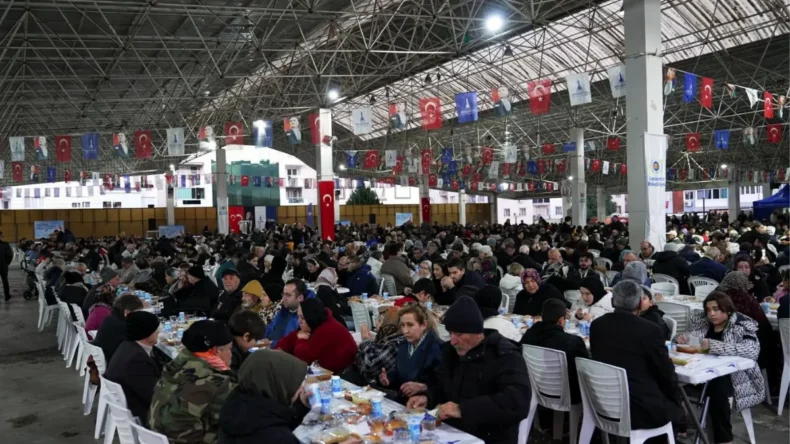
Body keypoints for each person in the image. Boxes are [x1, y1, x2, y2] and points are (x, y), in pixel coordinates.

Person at [406, 296, 530, 443]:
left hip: (490, 436)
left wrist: (463, 409)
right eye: (450, 333)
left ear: (478, 333)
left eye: (459, 334)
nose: (452, 340)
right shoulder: (451, 352)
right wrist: (428, 397)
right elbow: (443, 386)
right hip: (453, 432)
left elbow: (517, 403)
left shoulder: (505, 356)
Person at [589, 280, 681, 430]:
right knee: (675, 404)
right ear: (639, 303)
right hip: (639, 408)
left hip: (603, 399)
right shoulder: (650, 330)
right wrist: (676, 397)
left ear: (612, 301)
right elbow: (665, 372)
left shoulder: (597, 325)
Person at [675, 292, 765, 444]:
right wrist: (680, 338)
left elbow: (752, 350)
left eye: (716, 309)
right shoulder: (703, 323)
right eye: (708, 310)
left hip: (736, 377)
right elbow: (687, 339)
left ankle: (724, 439)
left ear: (727, 309)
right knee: (670, 380)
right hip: (702, 371)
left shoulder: (742, 325)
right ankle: (678, 424)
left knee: (717, 389)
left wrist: (715, 346)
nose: (712, 314)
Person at [149, 320, 237, 444]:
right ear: (216, 351)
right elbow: (238, 420)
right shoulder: (217, 383)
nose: (231, 355)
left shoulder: (173, 368)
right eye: (230, 349)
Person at [218, 350, 312, 444]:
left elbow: (270, 422)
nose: (301, 388)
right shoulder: (279, 439)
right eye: (297, 383)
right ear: (278, 385)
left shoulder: (236, 403)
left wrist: (300, 409)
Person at [520, 298, 589, 405]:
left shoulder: (529, 335)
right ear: (561, 320)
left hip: (535, 388)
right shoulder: (573, 342)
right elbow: (585, 371)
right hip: (568, 395)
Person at [104, 311, 162, 423]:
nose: (159, 332)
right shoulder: (136, 360)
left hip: (133, 401)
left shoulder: (127, 346)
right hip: (145, 413)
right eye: (156, 330)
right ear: (147, 333)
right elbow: (155, 395)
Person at [378, 304, 442, 402]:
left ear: (424, 325)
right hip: (403, 401)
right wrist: (388, 378)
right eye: (403, 325)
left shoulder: (438, 348)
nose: (405, 331)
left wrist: (424, 387)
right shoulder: (404, 344)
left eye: (410, 325)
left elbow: (443, 386)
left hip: (424, 404)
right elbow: (400, 373)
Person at [275, 298, 358, 373]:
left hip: (344, 375)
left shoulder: (327, 329)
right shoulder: (314, 323)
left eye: (302, 317)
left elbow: (305, 358)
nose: (299, 321)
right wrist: (279, 348)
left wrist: (301, 340)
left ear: (311, 316)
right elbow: (289, 340)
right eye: (298, 317)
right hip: (326, 372)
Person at [354, 307, 404, 384]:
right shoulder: (387, 337)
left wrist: (366, 341)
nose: (377, 324)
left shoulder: (397, 343)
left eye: (381, 320)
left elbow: (369, 365)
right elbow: (359, 361)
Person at [91, 294, 144, 362]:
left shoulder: (110, 318)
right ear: (127, 312)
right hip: (114, 362)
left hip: (107, 358)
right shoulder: (122, 326)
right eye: (138, 312)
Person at [265, 279, 308, 347]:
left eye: (288, 295)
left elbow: (292, 342)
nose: (283, 298)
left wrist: (272, 343)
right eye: (283, 294)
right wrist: (263, 338)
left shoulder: (304, 317)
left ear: (300, 297)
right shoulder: (282, 310)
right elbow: (270, 328)